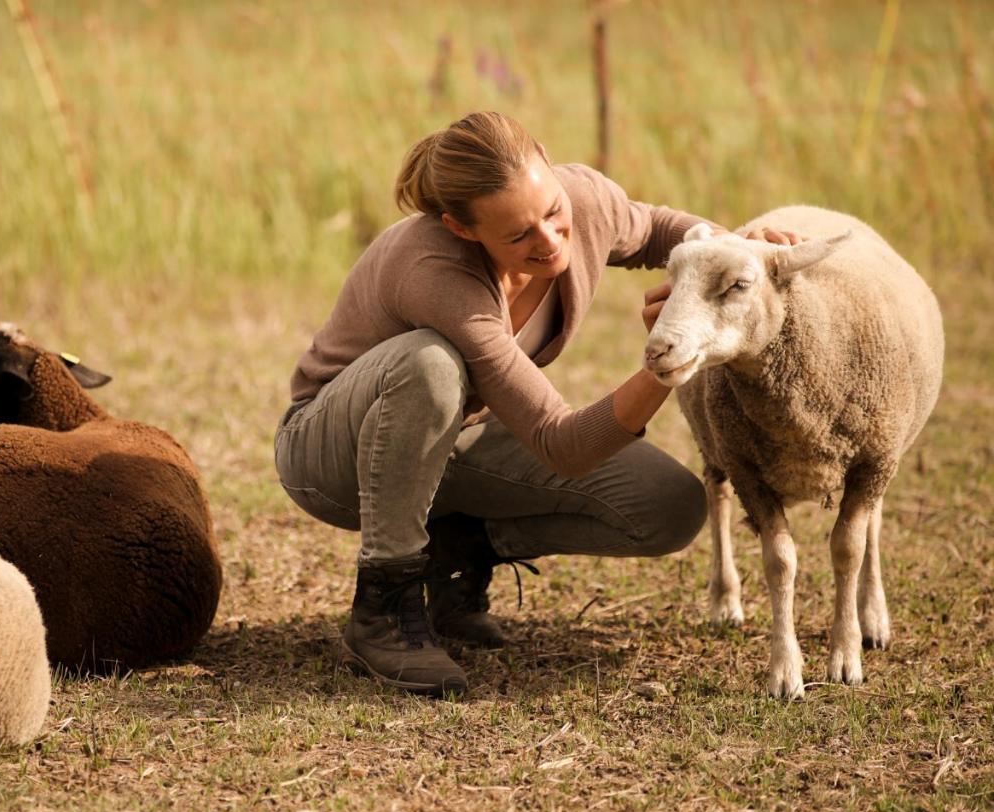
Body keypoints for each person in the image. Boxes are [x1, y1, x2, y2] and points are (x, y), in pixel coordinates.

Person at [274, 111, 799, 696]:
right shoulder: (435, 270)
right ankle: (385, 608)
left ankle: (454, 556)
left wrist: (735, 251)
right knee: (428, 364)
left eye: (552, 213)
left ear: (549, 166)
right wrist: (668, 359)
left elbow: (654, 229)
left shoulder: (583, 199)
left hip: (458, 439)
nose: (550, 242)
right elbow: (561, 443)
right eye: (519, 235)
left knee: (667, 506)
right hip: (336, 458)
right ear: (462, 228)